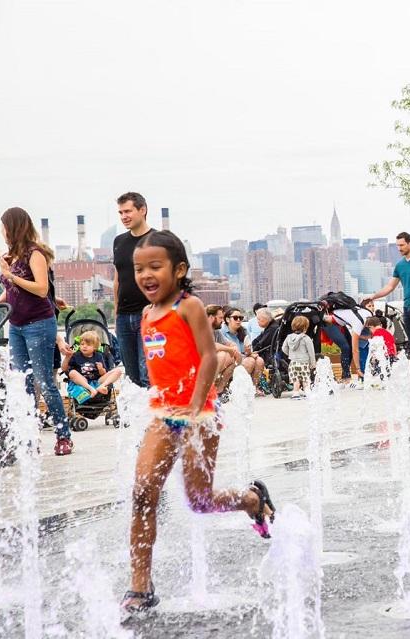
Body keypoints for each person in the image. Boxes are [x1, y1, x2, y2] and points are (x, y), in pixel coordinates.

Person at [121, 230, 274, 615]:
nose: (146, 275)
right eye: (139, 268)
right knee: (142, 493)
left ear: (180, 269)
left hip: (199, 415)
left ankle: (253, 499)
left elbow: (208, 357)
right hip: (163, 415)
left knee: (200, 501)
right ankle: (141, 585)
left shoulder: (188, 307)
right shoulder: (144, 314)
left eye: (156, 266)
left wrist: (192, 407)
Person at [0, 208, 73, 455]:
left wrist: (9, 274)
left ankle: (64, 436)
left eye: (4, 227)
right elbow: (10, 291)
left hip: (39, 325)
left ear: (14, 227)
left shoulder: (34, 253)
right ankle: (29, 437)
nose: (2, 232)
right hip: (17, 326)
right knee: (23, 384)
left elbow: (41, 289)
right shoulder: (12, 256)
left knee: (44, 382)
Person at [368, 232, 410, 384]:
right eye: (398, 245)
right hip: (408, 307)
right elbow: (390, 286)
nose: (399, 248)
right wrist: (374, 296)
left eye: (402, 245)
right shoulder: (400, 265)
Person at [113, 192, 154, 387]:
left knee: (149, 375)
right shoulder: (119, 242)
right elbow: (118, 278)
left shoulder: (158, 239)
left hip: (150, 317)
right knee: (131, 379)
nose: (123, 217)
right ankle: (137, 418)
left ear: (142, 210)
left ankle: (156, 417)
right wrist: (116, 311)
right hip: (123, 317)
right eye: (120, 212)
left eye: (128, 211)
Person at [62, 330, 123, 405]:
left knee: (118, 371)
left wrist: (101, 369)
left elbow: (103, 373)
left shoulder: (99, 356)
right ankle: (91, 389)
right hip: (83, 382)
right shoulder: (76, 355)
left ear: (95, 347)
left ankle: (102, 387)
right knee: (72, 373)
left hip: (97, 381)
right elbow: (64, 369)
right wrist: (67, 357)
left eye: (88, 345)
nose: (84, 346)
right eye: (82, 344)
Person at [220, 307, 265, 393]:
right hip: (230, 360)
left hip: (243, 357)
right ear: (227, 319)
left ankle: (253, 388)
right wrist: (247, 355)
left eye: (241, 318)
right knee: (250, 361)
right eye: (235, 318)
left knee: (259, 361)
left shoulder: (244, 331)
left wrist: (249, 352)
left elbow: (248, 350)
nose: (238, 320)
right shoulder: (221, 331)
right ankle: (238, 388)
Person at [281, 316, 317, 400]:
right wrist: (313, 363)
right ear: (305, 327)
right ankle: (307, 392)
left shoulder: (289, 337)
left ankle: (296, 393)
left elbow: (283, 348)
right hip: (304, 363)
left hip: (293, 363)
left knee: (295, 379)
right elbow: (311, 352)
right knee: (305, 379)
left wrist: (290, 354)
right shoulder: (306, 338)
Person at [206, 304, 238, 396]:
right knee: (222, 355)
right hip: (197, 365)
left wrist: (234, 349)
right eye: (220, 318)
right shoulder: (202, 329)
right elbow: (212, 346)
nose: (222, 321)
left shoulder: (216, 331)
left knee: (233, 358)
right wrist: (230, 350)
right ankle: (209, 389)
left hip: (209, 364)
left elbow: (230, 343)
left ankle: (219, 390)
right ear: (212, 317)